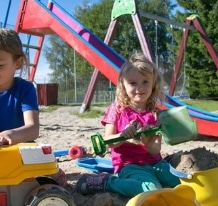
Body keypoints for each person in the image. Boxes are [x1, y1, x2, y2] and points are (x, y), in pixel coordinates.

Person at [76, 53, 180, 196]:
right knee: (151, 190)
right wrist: (123, 135)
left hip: (155, 163)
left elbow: (155, 150)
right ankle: (106, 182)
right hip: (129, 165)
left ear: (154, 83)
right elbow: (108, 141)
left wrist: (148, 142)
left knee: (184, 181)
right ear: (123, 85)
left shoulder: (155, 113)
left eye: (145, 81)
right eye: (133, 83)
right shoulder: (117, 109)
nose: (140, 88)